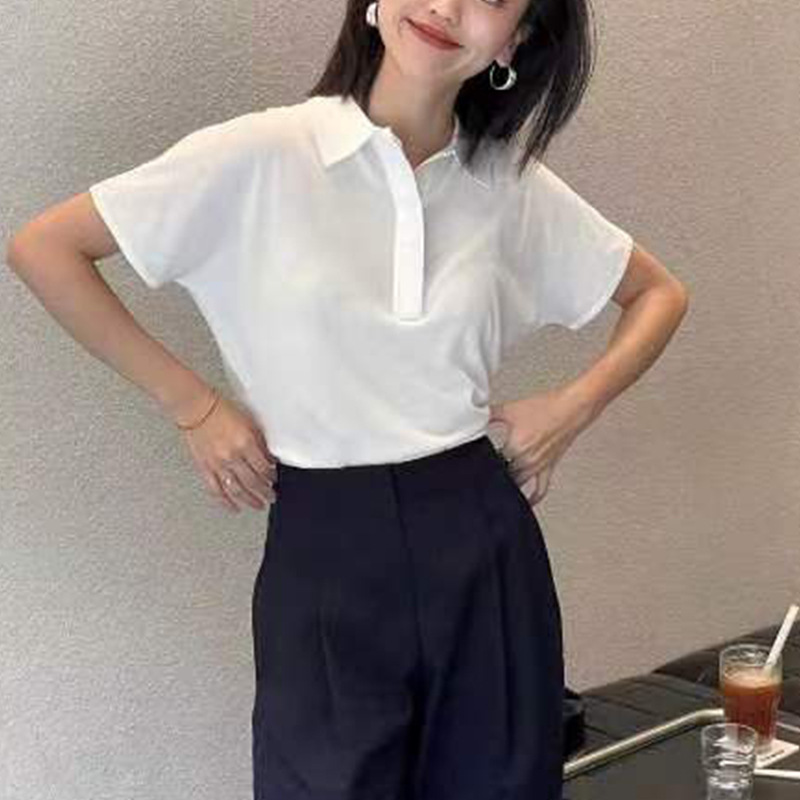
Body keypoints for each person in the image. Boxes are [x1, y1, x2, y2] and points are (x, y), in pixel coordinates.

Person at [6, 0, 689, 798]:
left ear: (519, 39)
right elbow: (45, 249)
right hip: (324, 541)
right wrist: (193, 405)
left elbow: (658, 295)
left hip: (480, 537)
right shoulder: (261, 153)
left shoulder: (506, 183)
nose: (446, 7)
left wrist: (569, 408)